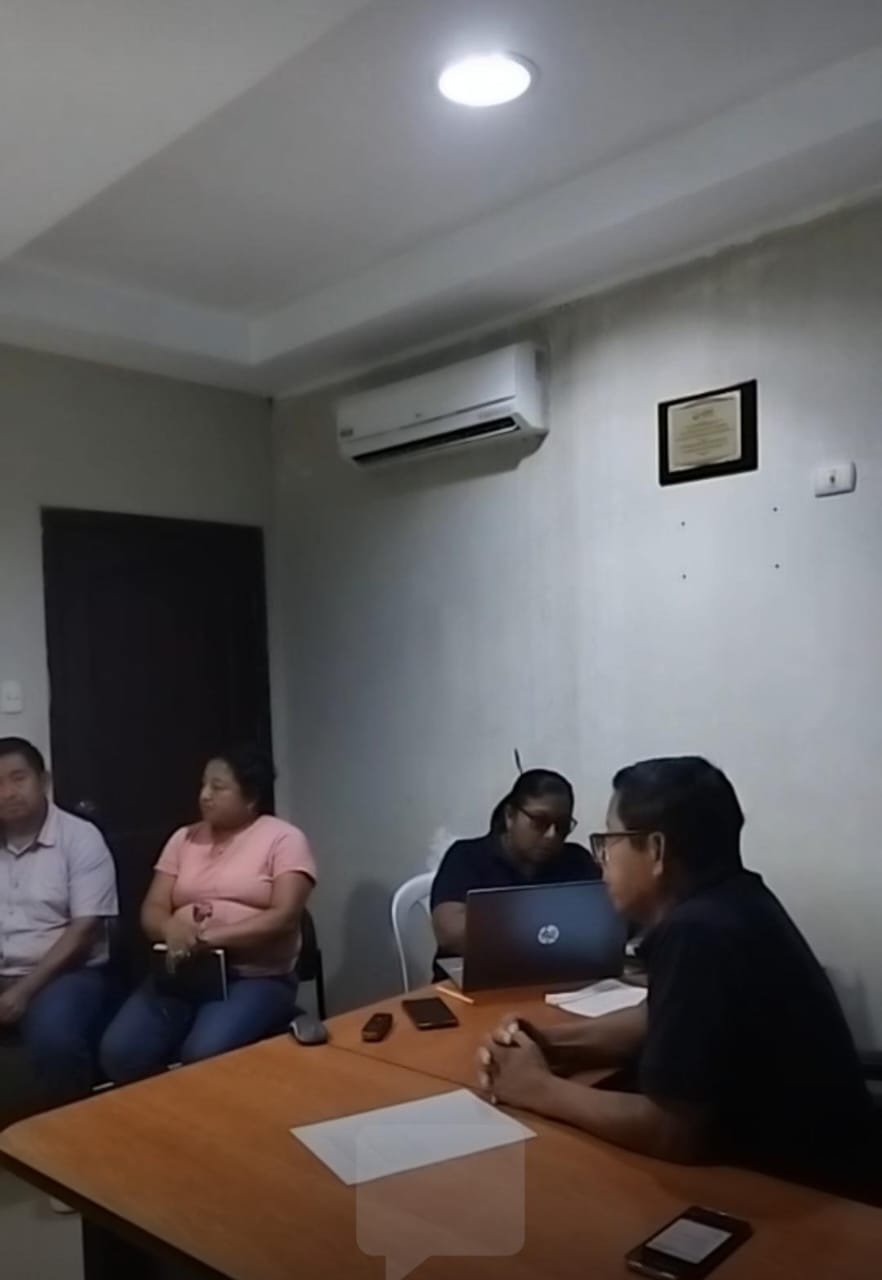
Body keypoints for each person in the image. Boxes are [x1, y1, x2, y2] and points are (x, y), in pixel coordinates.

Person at [478, 756, 874, 1191]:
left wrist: (535, 1088)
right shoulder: (736, 898)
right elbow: (664, 1016)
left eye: (609, 840)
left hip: (809, 1193)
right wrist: (553, 1042)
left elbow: (673, 1131)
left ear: (656, 851)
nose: (601, 859)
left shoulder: (698, 932)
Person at [100, 747, 316, 1083]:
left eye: (218, 787)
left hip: (254, 976)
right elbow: (152, 908)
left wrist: (207, 939)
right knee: (119, 1053)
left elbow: (284, 916)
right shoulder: (183, 838)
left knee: (203, 1055)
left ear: (251, 797)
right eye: (203, 785)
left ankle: (277, 1020)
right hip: (184, 971)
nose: (204, 795)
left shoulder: (284, 839)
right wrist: (170, 928)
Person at [0, 737, 119, 1107]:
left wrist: (23, 991)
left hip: (66, 972)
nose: (7, 793)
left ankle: (73, 1127)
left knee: (54, 1039)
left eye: (18, 778)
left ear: (44, 781)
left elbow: (84, 930)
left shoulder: (80, 838)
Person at [431, 769, 599, 962]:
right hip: (480, 973)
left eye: (562, 825)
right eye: (540, 822)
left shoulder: (576, 860)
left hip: (559, 972)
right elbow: (451, 934)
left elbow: (605, 925)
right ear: (510, 816)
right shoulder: (466, 857)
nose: (552, 835)